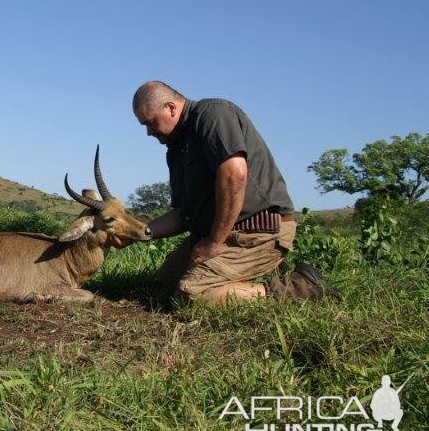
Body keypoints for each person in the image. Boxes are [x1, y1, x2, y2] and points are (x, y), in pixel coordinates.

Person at [116, 80, 340, 305]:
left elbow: (234, 174)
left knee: (191, 295)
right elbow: (182, 215)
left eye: (150, 122)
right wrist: (135, 233)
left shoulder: (212, 114)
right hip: (220, 234)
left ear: (171, 107)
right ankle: (256, 274)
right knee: (164, 284)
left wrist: (214, 242)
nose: (148, 132)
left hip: (256, 231)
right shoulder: (175, 148)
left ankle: (299, 288)